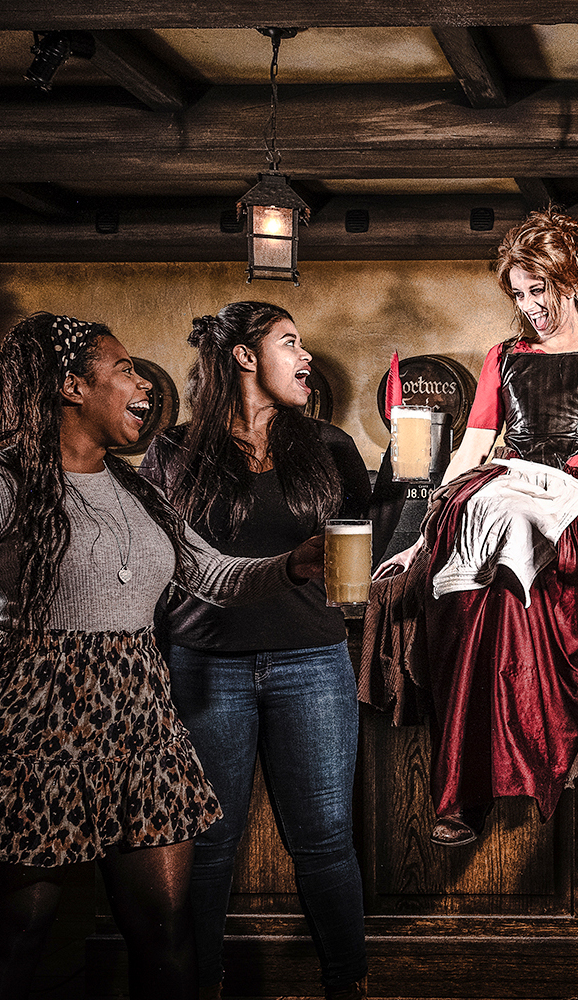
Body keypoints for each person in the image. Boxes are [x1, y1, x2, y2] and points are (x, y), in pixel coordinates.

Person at [0, 313, 323, 999]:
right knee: (17, 932)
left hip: (140, 722)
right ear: (72, 386)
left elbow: (214, 576)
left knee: (166, 930)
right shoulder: (1, 481)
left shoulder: (138, 488)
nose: (145, 384)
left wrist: (293, 565)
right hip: (32, 730)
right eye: (124, 371)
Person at [376, 179, 578, 846]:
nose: (530, 306)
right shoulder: (503, 358)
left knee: (508, 535)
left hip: (571, 504)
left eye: (541, 291)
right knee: (463, 591)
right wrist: (420, 541)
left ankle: (532, 755)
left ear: (575, 282)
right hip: (505, 490)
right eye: (519, 294)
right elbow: (471, 451)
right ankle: (464, 788)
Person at [140, 303, 372, 1000]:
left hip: (313, 661)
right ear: (244, 356)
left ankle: (348, 985)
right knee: (207, 847)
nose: (306, 357)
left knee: (326, 842)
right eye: (289, 343)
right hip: (205, 664)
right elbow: (158, 566)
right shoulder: (174, 451)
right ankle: (198, 984)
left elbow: (371, 543)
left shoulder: (330, 446)